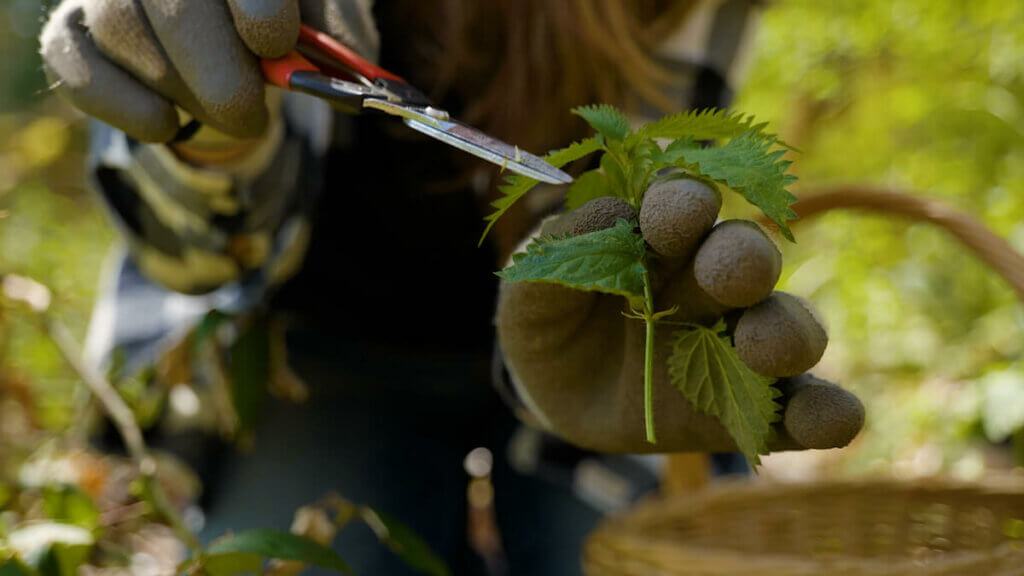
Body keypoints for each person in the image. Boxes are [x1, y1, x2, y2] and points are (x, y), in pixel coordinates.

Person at [39, 1, 865, 574]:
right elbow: (199, 264)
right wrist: (208, 143)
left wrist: (598, 305)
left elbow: (620, 200)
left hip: (567, 366)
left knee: (650, 558)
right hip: (314, 347)